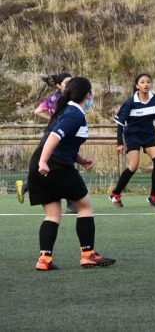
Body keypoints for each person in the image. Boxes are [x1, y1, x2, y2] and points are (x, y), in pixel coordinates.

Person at [26, 77, 115, 270]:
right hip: (54, 165)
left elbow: (65, 142)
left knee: (52, 214)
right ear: (88, 94)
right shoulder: (74, 114)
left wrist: (81, 160)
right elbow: (54, 137)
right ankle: (88, 255)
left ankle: (45, 260)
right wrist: (44, 161)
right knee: (84, 207)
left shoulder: (66, 110)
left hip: (40, 165)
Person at [109, 73, 155, 208]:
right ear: (137, 86)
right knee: (133, 166)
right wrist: (120, 143)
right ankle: (115, 194)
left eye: (148, 82)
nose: (146, 84)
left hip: (148, 134)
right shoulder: (130, 103)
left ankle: (152, 196)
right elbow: (120, 123)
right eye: (142, 82)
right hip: (132, 135)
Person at [18, 72, 78, 215]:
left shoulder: (54, 98)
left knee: (57, 166)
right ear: (58, 85)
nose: (70, 85)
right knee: (65, 165)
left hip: (54, 134)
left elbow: (38, 111)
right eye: (66, 82)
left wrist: (52, 118)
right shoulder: (64, 99)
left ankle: (25, 186)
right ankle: (71, 204)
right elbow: (38, 111)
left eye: (71, 82)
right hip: (57, 136)